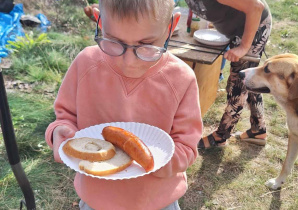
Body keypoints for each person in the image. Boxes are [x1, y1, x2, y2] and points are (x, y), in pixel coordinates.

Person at [45, 0, 203, 209]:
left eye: (146, 44)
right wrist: (58, 132)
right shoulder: (85, 64)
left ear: (171, 27)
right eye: (114, 41)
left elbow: (187, 147)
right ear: (100, 20)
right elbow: (64, 118)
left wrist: (156, 161)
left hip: (157, 202)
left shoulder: (182, 79)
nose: (129, 62)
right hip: (96, 200)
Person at [184, 0, 272, 149]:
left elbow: (256, 7)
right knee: (249, 82)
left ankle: (221, 137)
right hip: (238, 27)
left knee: (238, 85)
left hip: (253, 26)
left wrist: (244, 47)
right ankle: (258, 129)